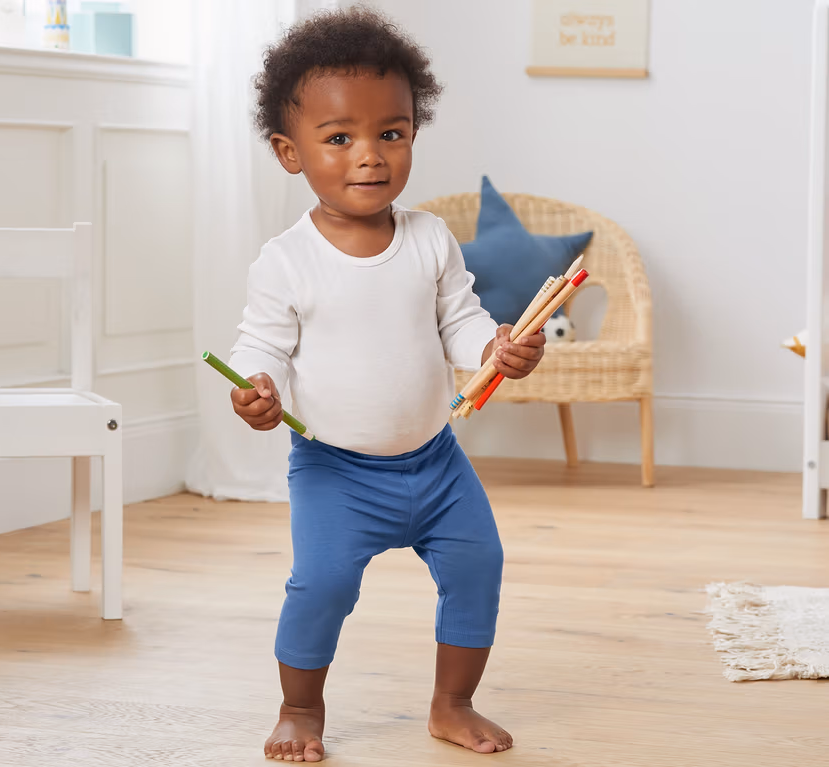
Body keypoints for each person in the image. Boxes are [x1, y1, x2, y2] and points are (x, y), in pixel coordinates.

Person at [229, 7, 545, 762]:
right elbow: (260, 347)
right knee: (321, 585)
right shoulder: (286, 260)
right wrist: (255, 391)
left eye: (392, 133)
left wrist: (496, 350)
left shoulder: (430, 237)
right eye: (339, 138)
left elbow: (460, 322)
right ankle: (300, 709)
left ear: (412, 133)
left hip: (436, 462)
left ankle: (452, 702)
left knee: (479, 567)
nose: (370, 156)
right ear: (290, 152)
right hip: (335, 471)